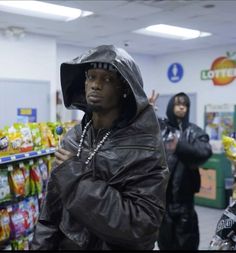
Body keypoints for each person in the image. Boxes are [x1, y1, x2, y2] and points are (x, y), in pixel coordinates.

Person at [31, 45, 169, 250]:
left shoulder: (144, 146)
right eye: (91, 77)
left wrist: (75, 178)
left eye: (107, 79)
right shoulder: (73, 138)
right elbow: (51, 213)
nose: (95, 85)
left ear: (125, 88)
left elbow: (141, 226)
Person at [149, 90, 212, 250]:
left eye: (185, 104)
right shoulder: (161, 127)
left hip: (185, 204)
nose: (182, 107)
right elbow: (141, 130)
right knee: (165, 243)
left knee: (187, 243)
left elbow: (205, 151)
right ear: (171, 106)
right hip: (163, 202)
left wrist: (180, 147)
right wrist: (147, 110)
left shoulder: (194, 131)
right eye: (178, 103)